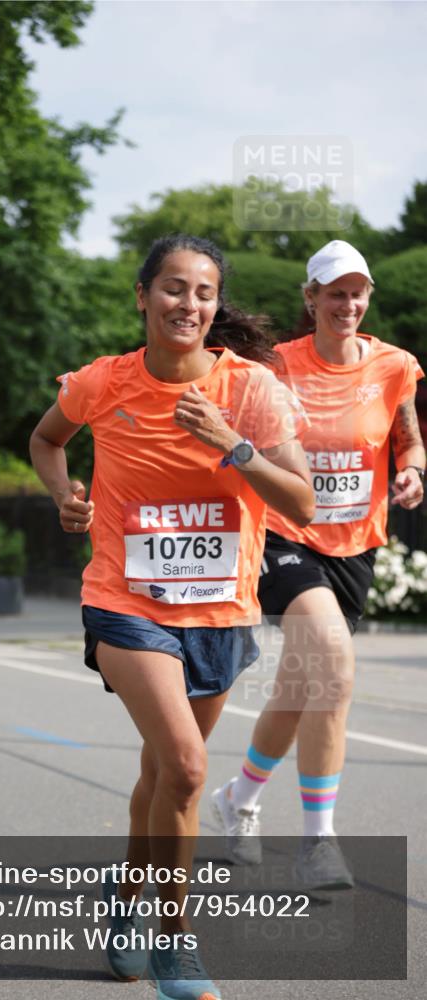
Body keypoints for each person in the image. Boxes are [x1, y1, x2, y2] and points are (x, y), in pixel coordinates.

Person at [30, 234, 314, 1000]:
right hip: (124, 601)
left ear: (215, 304)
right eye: (173, 289)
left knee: (162, 771)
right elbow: (46, 439)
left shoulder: (250, 390)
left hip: (220, 610)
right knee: (188, 767)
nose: (188, 304)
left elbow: (302, 503)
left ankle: (125, 899)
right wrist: (64, 494)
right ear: (142, 295)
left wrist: (233, 447)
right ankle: (175, 942)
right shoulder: (103, 382)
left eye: (203, 293)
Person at [211, 239, 425, 889]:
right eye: (334, 292)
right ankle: (317, 843)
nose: (348, 303)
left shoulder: (393, 366)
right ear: (310, 299)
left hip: (353, 546)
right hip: (283, 534)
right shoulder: (273, 366)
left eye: (357, 292)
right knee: (331, 662)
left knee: (304, 687)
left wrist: (412, 471)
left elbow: (407, 437)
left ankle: (236, 800)